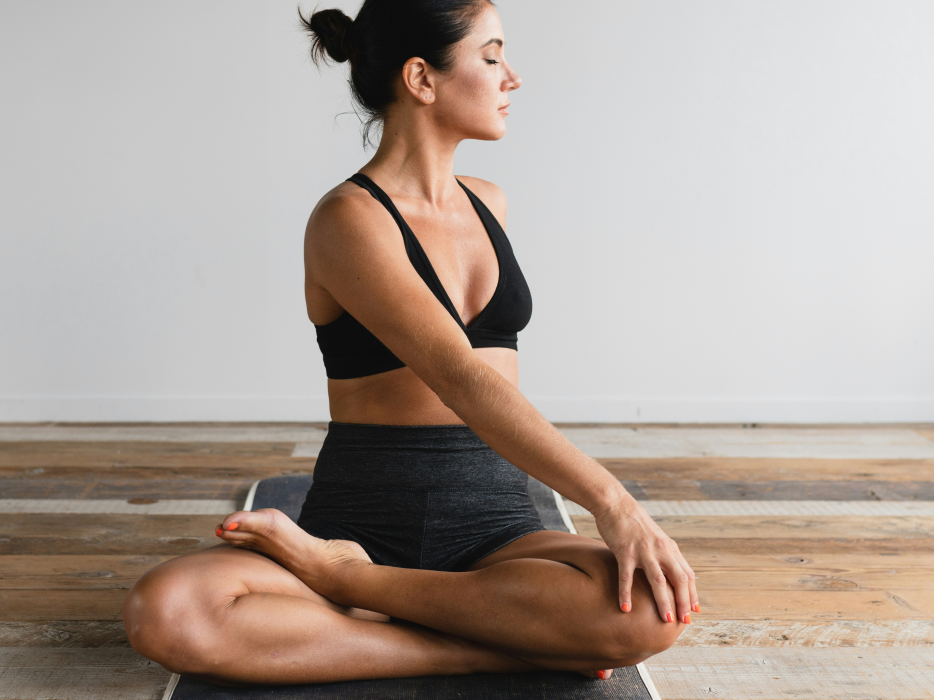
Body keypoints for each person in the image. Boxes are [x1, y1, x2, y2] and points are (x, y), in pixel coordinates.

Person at [122, 0, 697, 686]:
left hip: (495, 529)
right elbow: (460, 376)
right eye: (490, 57)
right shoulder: (347, 220)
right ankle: (471, 632)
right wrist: (615, 503)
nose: (512, 77)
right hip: (362, 519)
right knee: (169, 611)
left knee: (651, 615)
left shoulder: (491, 203)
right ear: (421, 78)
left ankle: (363, 593)